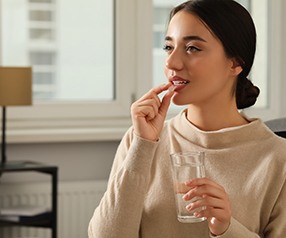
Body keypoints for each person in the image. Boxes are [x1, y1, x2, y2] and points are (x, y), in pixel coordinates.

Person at [88, 0, 286, 237]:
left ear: (235, 63)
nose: (172, 63)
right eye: (169, 48)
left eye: (192, 48)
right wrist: (142, 147)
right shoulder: (141, 139)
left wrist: (227, 228)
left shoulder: (278, 160)